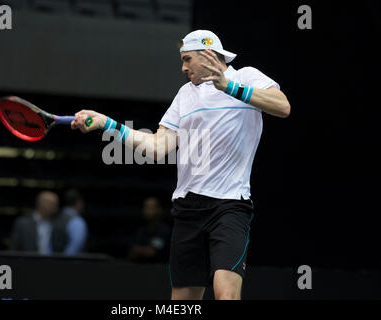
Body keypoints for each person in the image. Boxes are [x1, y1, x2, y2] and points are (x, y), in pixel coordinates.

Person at [70, 30, 291, 300]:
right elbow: (157, 147)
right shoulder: (185, 94)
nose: (183, 67)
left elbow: (282, 107)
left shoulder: (245, 76)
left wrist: (228, 87)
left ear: (208, 55)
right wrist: (109, 124)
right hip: (188, 209)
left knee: (226, 295)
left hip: (230, 206)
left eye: (187, 59)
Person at [10, 190, 59, 255]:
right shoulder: (23, 224)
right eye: (52, 204)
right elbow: (13, 249)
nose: (55, 208)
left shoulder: (57, 224)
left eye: (56, 205)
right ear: (41, 203)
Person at [128, 197, 171, 263]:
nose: (148, 211)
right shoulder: (141, 230)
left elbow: (151, 253)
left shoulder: (164, 230)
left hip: (160, 269)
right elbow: (132, 253)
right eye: (146, 207)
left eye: (151, 207)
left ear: (159, 210)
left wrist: (139, 250)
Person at [51, 189, 88, 255]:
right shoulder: (77, 221)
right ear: (79, 203)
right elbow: (76, 245)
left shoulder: (54, 218)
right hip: (69, 263)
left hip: (53, 260)